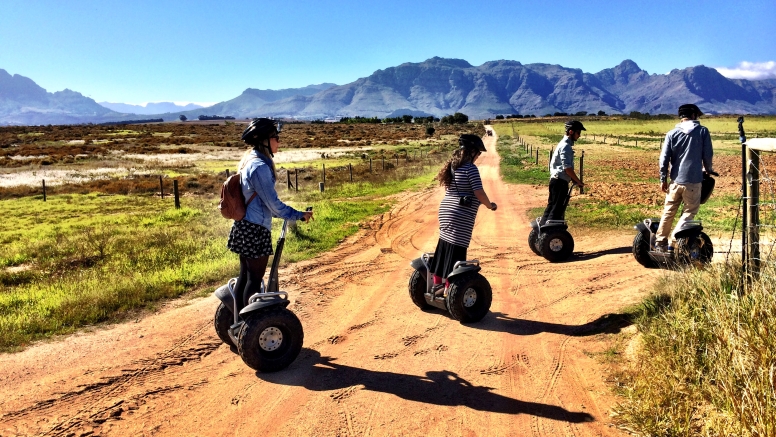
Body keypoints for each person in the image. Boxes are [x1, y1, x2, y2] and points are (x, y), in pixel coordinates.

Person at [227, 118, 313, 313]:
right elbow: (273, 205)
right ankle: (249, 324)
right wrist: (299, 215)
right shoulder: (259, 167)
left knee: (245, 277)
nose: (279, 142)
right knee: (254, 280)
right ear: (264, 140)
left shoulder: (250, 160)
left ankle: (238, 321)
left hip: (245, 226)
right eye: (276, 138)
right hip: (255, 229)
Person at [429, 134, 497, 295]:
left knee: (444, 246)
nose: (479, 156)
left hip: (446, 209)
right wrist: (490, 205)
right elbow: (479, 192)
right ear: (471, 151)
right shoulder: (470, 168)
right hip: (460, 214)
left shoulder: (454, 166)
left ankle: (437, 283)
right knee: (457, 249)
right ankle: (449, 288)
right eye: (478, 153)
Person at [654, 104, 713, 252]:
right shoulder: (702, 131)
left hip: (675, 181)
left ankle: (660, 242)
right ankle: (675, 240)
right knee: (689, 211)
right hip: (693, 181)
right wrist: (708, 169)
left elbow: (664, 159)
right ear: (693, 115)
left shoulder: (671, 134)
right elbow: (707, 154)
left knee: (669, 211)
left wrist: (663, 179)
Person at [540, 120, 585, 225]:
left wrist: (575, 180)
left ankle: (541, 230)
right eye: (578, 132)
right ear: (571, 132)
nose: (579, 135)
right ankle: (550, 235)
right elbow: (567, 169)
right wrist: (578, 181)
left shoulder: (563, 144)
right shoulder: (566, 146)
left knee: (552, 206)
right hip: (560, 182)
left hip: (556, 180)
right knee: (557, 210)